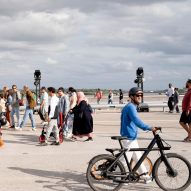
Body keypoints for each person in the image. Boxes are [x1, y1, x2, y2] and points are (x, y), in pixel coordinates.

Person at [120, 87, 156, 183]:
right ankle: (120, 178)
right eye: (137, 95)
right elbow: (137, 121)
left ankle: (145, 176)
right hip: (129, 137)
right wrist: (149, 127)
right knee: (125, 160)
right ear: (131, 96)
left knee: (138, 157)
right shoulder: (131, 107)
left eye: (141, 95)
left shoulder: (129, 106)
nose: (140, 97)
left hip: (130, 137)